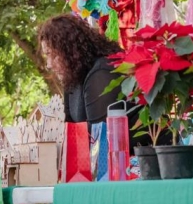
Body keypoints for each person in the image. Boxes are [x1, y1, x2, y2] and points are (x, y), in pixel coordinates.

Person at [38, 14, 152, 145]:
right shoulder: (73, 77)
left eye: (52, 55)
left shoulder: (102, 73)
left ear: (70, 51)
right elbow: (70, 129)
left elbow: (100, 140)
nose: (49, 64)